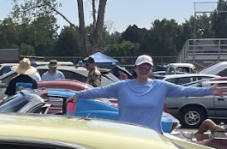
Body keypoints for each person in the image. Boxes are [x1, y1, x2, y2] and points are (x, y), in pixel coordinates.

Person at [75, 54, 227, 131]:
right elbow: (100, 91)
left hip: (152, 138)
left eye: (147, 67)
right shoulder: (122, 86)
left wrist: (209, 90)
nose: (143, 70)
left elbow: (184, 90)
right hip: (125, 137)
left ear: (151, 70)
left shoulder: (161, 86)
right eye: (140, 67)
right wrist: (78, 95)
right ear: (135, 69)